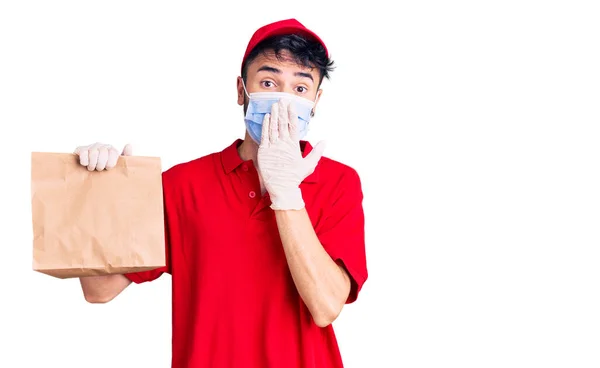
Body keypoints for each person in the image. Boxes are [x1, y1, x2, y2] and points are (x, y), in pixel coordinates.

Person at [75, 18, 368, 368]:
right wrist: (99, 193)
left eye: (300, 89)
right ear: (242, 90)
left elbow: (326, 306)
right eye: (268, 81)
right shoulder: (182, 184)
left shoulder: (338, 182)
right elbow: (99, 290)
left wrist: (286, 192)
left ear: (316, 100)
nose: (282, 101)